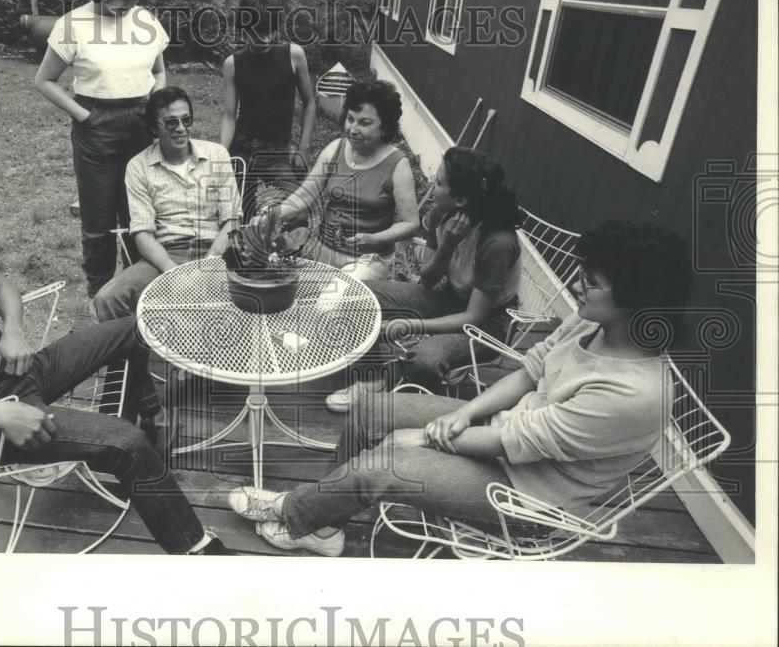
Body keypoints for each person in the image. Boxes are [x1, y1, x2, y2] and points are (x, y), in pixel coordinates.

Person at [0, 138, 227, 555]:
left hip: (19, 374)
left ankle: (140, 423)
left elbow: (3, 287)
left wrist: (11, 330)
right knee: (126, 443)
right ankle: (198, 551)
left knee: (137, 328)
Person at [226, 221, 692, 556]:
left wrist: (429, 437)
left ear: (635, 301)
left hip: (529, 492)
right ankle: (323, 524)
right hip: (503, 437)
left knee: (385, 463)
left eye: (590, 282)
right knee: (371, 414)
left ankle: (296, 513)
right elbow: (529, 373)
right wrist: (463, 416)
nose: (575, 285)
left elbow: (520, 444)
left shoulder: (632, 393)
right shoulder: (589, 322)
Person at [325, 146, 523, 411]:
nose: (431, 185)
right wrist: (448, 245)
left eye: (439, 183)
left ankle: (415, 407)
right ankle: (372, 380)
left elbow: (472, 319)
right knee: (357, 294)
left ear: (461, 199)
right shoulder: (442, 214)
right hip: (447, 295)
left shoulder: (497, 242)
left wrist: (410, 324)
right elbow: (428, 280)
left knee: (424, 361)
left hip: (486, 325)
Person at [34, 0, 169, 299]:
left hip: (142, 126)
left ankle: (139, 295)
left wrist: (156, 108)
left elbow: (159, 70)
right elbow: (44, 80)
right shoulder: (73, 24)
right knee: (98, 224)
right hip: (97, 128)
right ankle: (100, 298)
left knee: (140, 220)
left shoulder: (146, 21)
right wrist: (86, 117)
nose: (128, 6)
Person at [92, 86, 241, 320]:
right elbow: (142, 234)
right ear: (154, 128)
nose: (181, 129)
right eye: (171, 123)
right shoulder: (138, 166)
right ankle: (137, 353)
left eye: (186, 120)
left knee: (253, 290)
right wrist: (172, 272)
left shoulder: (217, 154)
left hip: (218, 251)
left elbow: (232, 220)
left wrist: (210, 264)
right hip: (167, 255)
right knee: (108, 298)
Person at [269, 78, 419, 282]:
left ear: (384, 127)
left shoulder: (397, 165)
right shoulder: (336, 148)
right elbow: (304, 196)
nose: (353, 129)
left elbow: (410, 223)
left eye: (364, 123)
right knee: (291, 294)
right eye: (350, 119)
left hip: (368, 259)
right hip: (323, 251)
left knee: (331, 305)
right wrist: (271, 215)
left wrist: (373, 238)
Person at [219, 0, 317, 218]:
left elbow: (310, 103)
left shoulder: (293, 55)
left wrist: (303, 147)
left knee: (297, 215)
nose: (263, 38)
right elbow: (229, 115)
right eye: (256, 32)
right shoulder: (233, 63)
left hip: (278, 152)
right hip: (242, 149)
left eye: (268, 31)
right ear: (243, 29)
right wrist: (222, 154)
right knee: (236, 216)